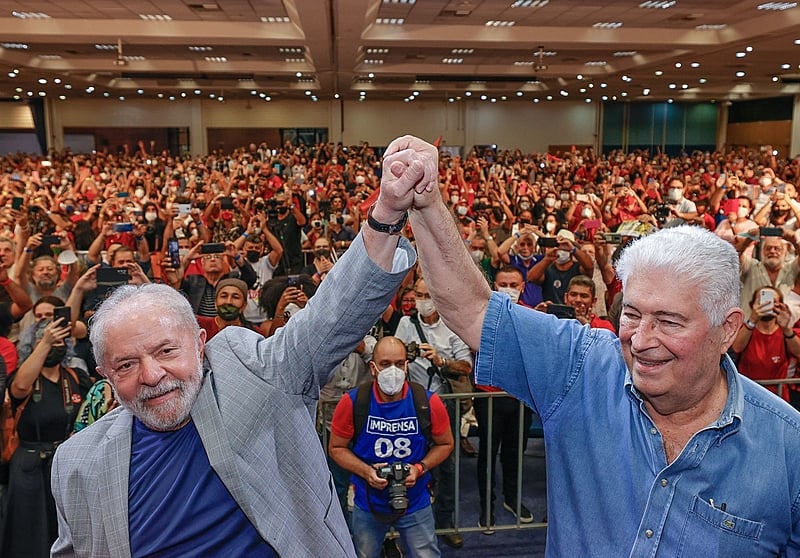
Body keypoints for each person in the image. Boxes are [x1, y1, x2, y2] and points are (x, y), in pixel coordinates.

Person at [401, 135, 800, 556]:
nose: (642, 341)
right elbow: (471, 309)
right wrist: (427, 203)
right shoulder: (582, 368)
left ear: (727, 330)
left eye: (668, 321)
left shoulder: (787, 448)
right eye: (631, 314)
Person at [48, 135, 432, 557]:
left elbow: (331, 318)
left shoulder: (251, 374)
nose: (152, 375)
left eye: (166, 351)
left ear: (200, 344)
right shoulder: (77, 463)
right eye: (125, 365)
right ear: (104, 376)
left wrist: (388, 213)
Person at [328, 336, 454, 558]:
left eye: (399, 363)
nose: (393, 370)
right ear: (373, 367)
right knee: (364, 554)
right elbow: (336, 448)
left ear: (407, 365)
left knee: (426, 554)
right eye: (385, 364)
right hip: (368, 501)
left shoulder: (427, 402)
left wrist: (420, 468)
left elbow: (445, 444)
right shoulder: (353, 402)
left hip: (415, 501)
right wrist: (366, 472)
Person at [1, 308, 90, 558]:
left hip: (65, 464)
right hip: (29, 465)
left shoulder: (75, 376)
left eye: (60, 341)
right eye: (50, 341)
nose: (55, 345)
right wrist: (44, 342)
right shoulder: (26, 378)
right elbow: (19, 386)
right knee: (28, 534)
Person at [394, 277, 473, 549]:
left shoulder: (452, 326)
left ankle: (445, 522)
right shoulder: (406, 324)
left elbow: (466, 367)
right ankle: (404, 521)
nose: (421, 300)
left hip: (442, 404)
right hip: (410, 404)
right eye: (417, 294)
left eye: (426, 295)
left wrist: (439, 359)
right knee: (407, 464)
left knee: (446, 468)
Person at [474, 266, 534, 532]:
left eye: (513, 283)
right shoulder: (479, 314)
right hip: (488, 396)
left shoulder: (532, 316)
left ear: (523, 286)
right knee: (487, 453)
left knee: (515, 452)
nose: (508, 287)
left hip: (520, 397)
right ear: (494, 285)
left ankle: (512, 498)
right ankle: (486, 506)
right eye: (503, 283)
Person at [731, 286, 800, 401]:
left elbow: (798, 353)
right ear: (752, 304)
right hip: (748, 396)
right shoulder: (744, 329)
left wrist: (787, 329)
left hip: (779, 398)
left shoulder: (786, 332)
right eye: (761, 301)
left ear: (781, 306)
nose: (767, 304)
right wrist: (752, 320)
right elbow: (737, 347)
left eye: (773, 302)